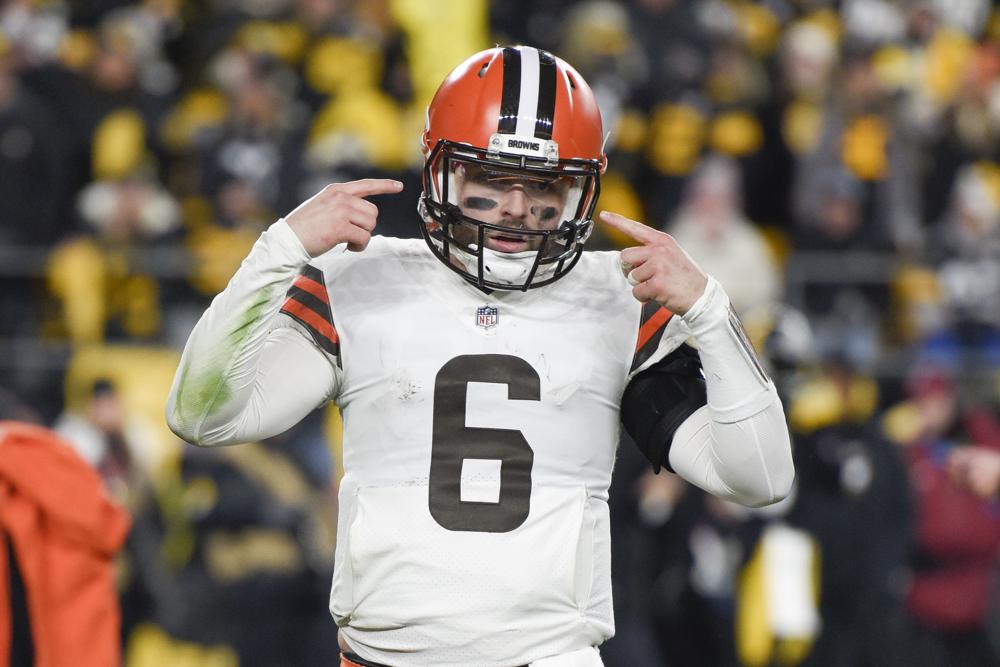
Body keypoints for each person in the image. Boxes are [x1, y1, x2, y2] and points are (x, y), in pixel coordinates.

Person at [167, 45, 794, 667]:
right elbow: (204, 416)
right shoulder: (358, 278)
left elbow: (760, 478)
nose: (518, 208)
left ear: (582, 189)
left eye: (545, 185)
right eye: (492, 179)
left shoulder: (619, 297)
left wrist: (710, 311)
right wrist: (278, 250)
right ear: (442, 172)